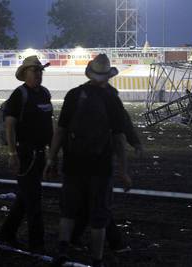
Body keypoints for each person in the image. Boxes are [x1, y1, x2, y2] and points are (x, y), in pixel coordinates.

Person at [44, 54, 131, 267]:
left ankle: (62, 251)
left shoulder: (74, 95)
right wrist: (123, 169)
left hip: (73, 162)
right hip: (101, 166)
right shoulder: (111, 98)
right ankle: (97, 259)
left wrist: (51, 158)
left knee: (68, 210)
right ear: (108, 76)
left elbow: (61, 131)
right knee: (99, 215)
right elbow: (119, 138)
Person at [0, 55, 53, 254]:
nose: (38, 74)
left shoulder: (44, 93)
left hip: (39, 154)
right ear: (25, 73)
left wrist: (51, 154)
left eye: (40, 71)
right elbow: (10, 125)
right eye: (34, 70)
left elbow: (48, 124)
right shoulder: (19, 95)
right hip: (25, 154)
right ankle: (37, 245)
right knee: (33, 200)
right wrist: (12, 153)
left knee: (25, 197)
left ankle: (6, 234)